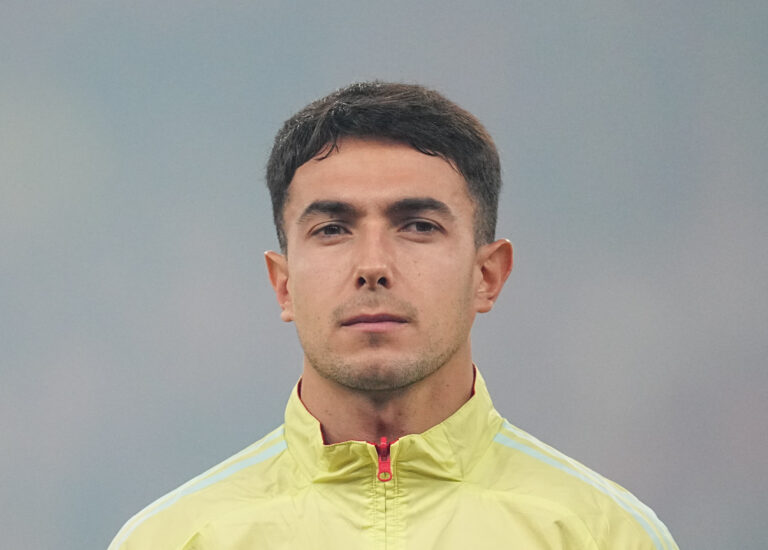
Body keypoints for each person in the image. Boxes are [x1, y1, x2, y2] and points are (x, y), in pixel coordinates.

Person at [109, 81, 678, 549]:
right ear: (282, 285)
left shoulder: (603, 534)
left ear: (488, 275)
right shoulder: (176, 539)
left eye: (418, 226)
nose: (373, 265)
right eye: (332, 229)